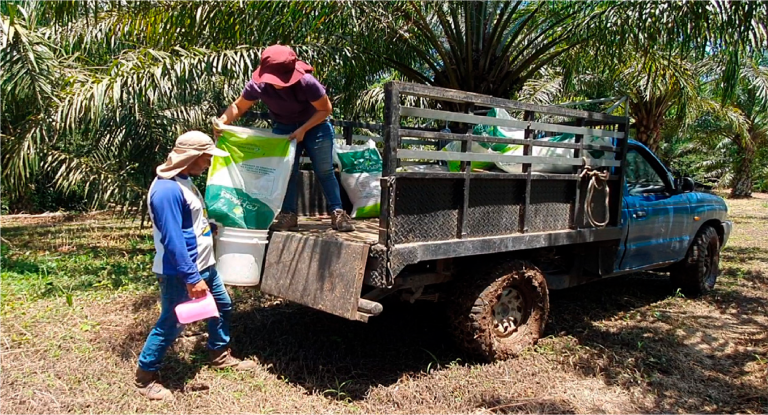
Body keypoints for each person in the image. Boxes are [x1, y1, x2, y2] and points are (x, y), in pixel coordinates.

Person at [135, 131, 257, 401]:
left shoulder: (184, 181)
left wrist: (207, 227)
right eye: (206, 157)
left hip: (205, 266)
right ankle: (145, 377)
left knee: (222, 306)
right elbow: (172, 239)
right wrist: (191, 277)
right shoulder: (166, 190)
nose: (208, 162)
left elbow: (187, 223)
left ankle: (218, 353)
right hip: (181, 272)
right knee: (172, 322)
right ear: (191, 156)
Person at [216, 44, 355, 232]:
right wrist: (222, 121)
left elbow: (325, 109)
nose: (277, 82)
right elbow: (239, 106)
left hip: (317, 125)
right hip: (284, 127)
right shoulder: (258, 85)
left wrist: (303, 129)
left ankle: (337, 213)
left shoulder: (307, 82)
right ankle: (288, 215)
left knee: (324, 170)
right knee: (287, 172)